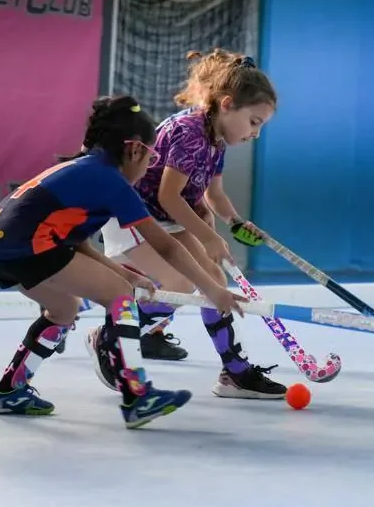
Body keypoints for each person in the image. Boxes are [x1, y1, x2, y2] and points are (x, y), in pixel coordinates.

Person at [0, 95, 245, 429]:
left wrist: (125, 273)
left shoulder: (84, 170)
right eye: (151, 157)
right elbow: (167, 247)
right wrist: (213, 290)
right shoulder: (110, 180)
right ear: (134, 150)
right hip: (29, 243)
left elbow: (73, 241)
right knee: (120, 296)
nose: (149, 166)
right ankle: (137, 395)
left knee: (64, 309)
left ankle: (8, 391)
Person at [90, 49, 287, 400]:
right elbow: (168, 196)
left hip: (163, 217)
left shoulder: (216, 139)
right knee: (179, 284)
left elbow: (214, 195)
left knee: (214, 283)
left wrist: (236, 222)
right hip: (132, 212)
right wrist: (209, 238)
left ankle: (234, 373)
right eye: (254, 121)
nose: (256, 133)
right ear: (227, 105)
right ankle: (108, 339)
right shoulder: (189, 132)